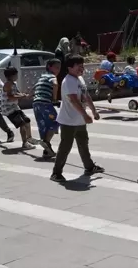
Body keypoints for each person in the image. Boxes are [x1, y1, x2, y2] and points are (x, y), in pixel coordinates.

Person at [51, 54, 105, 182]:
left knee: (83, 144)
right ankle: (56, 173)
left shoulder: (79, 79)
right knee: (65, 147)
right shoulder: (68, 80)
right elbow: (74, 100)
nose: (82, 68)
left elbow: (86, 96)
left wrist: (94, 111)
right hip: (68, 121)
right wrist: (85, 115)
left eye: (83, 66)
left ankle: (89, 167)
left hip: (79, 120)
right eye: (79, 66)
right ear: (70, 67)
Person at [33, 58, 61, 159]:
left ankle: (46, 151)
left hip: (36, 104)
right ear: (49, 67)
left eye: (59, 68)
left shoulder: (42, 76)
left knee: (43, 126)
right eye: (56, 67)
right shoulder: (52, 76)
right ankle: (46, 142)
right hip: (45, 103)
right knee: (56, 121)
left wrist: (29, 95)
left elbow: (34, 87)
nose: (58, 70)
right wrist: (54, 99)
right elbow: (55, 84)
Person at [1, 67, 35, 149]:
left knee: (27, 120)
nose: (17, 76)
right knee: (22, 124)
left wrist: (24, 95)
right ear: (11, 76)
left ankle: (29, 138)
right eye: (16, 74)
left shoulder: (14, 83)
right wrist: (22, 96)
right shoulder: (8, 84)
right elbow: (10, 97)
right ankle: (25, 143)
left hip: (15, 107)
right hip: (8, 109)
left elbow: (18, 93)